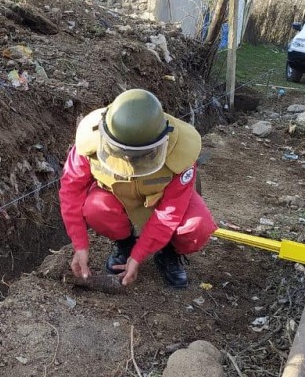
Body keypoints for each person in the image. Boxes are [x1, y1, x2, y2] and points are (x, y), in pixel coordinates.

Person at [58, 89, 216, 289]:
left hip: (161, 199)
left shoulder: (181, 153)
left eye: (140, 155)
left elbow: (170, 212)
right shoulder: (89, 142)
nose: (130, 161)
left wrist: (139, 256)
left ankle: (169, 253)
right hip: (116, 197)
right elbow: (71, 192)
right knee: (95, 208)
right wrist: (80, 245)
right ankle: (125, 245)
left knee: (197, 227)